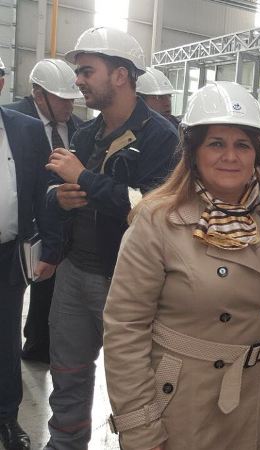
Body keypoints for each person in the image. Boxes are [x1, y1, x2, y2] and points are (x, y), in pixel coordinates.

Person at [103, 81, 260, 450]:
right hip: (185, 402)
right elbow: (125, 329)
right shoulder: (157, 220)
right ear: (193, 152)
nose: (230, 156)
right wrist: (141, 429)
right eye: (216, 144)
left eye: (243, 145)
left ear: (257, 154)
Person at [42, 26, 179, 449]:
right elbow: (71, 191)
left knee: (133, 385)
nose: (78, 80)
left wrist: (82, 177)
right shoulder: (87, 134)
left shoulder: (162, 138)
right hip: (73, 274)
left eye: (87, 71)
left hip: (126, 283)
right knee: (67, 373)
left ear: (120, 75)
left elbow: (148, 208)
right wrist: (60, 198)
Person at [4, 58, 84, 364]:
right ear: (39, 95)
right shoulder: (13, 121)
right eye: (62, 100)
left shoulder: (80, 128)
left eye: (72, 100)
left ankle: (38, 347)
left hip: (60, 226)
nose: (69, 106)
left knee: (47, 293)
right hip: (22, 227)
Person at [0, 56, 60, 450]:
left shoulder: (25, 130)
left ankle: (7, 417)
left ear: (1, 82)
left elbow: (43, 193)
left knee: (6, 338)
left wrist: (51, 249)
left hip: (7, 255)